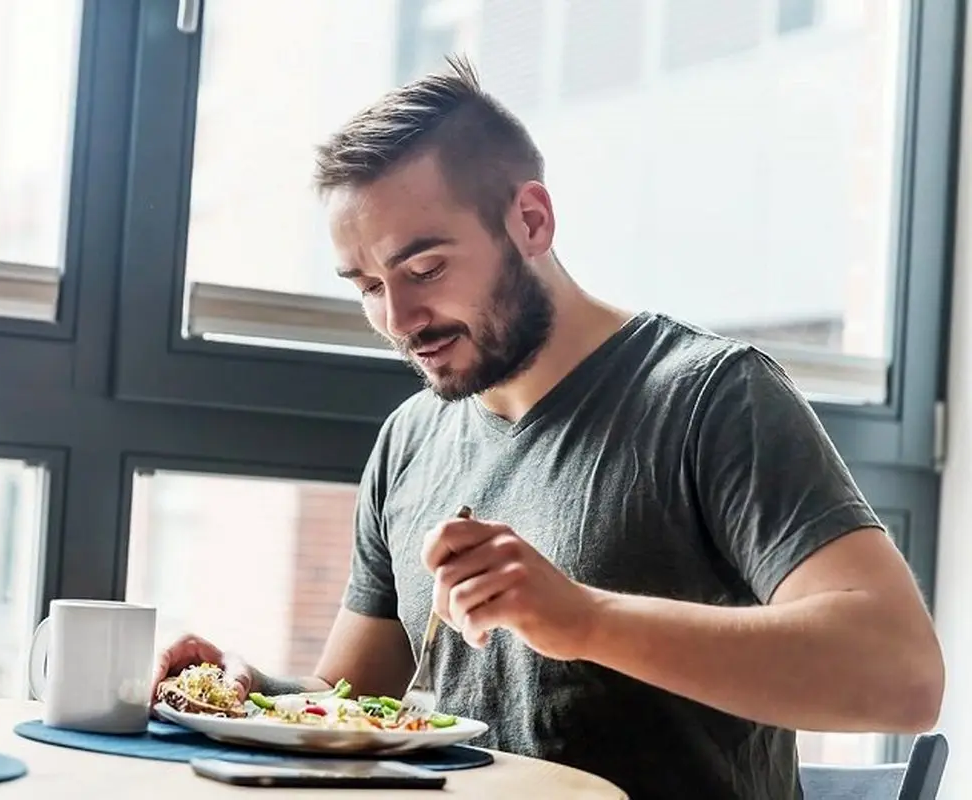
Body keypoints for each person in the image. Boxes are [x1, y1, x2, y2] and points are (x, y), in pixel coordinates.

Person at [152, 56, 945, 799]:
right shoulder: (409, 439)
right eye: (367, 285)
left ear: (530, 220)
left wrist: (584, 620)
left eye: (424, 268)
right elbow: (356, 700)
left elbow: (900, 677)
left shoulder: (711, 397)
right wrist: (250, 692)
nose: (397, 320)